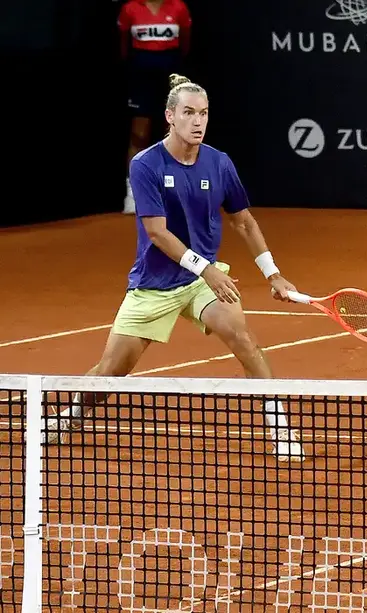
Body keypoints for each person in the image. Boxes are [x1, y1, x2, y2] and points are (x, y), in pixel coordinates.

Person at [44, 74, 306, 462]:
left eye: (203, 113)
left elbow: (244, 222)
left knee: (244, 339)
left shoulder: (219, 163)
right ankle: (74, 414)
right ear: (170, 116)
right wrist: (208, 270)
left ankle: (280, 428)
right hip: (155, 284)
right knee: (110, 373)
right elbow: (157, 233)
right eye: (188, 113)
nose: (197, 121)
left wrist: (273, 274)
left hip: (202, 281)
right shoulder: (146, 164)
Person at [118, 0, 192, 214]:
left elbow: (185, 45)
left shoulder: (178, 7)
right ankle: (133, 194)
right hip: (141, 75)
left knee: (172, 132)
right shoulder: (130, 8)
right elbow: (124, 47)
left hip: (170, 72)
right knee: (138, 133)